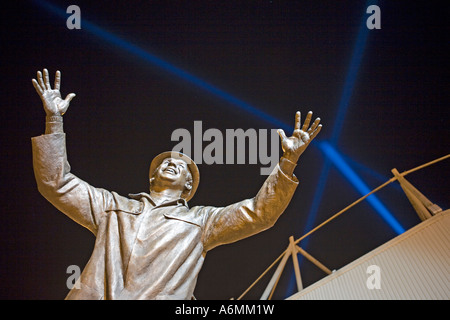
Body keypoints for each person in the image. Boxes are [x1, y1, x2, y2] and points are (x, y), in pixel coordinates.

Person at [31, 69, 322, 300]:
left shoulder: (201, 222)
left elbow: (260, 213)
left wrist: (288, 161)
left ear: (188, 185)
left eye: (182, 167)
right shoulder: (112, 207)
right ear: (152, 176)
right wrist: (54, 120)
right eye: (166, 162)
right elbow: (56, 183)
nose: (173, 164)